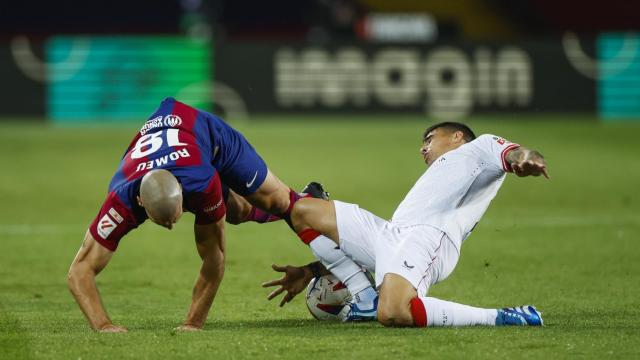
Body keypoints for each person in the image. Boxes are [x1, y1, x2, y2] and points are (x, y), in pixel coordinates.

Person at [67, 97, 326, 332]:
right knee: (236, 212)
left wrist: (193, 323)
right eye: (163, 221)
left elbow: (215, 257)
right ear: (139, 203)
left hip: (210, 138)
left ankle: (310, 202)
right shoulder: (120, 198)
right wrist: (103, 326)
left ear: (182, 194)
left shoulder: (200, 183)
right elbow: (79, 270)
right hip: (174, 147)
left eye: (175, 216)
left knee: (273, 203)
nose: (171, 226)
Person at [263, 122, 549, 327]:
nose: (423, 148)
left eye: (430, 139)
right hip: (390, 234)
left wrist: (527, 159)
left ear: (457, 136)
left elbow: (515, 154)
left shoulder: (479, 147)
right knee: (300, 208)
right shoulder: (437, 175)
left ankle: (499, 316)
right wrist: (311, 270)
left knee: (395, 312)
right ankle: (364, 299)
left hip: (428, 237)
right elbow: (386, 254)